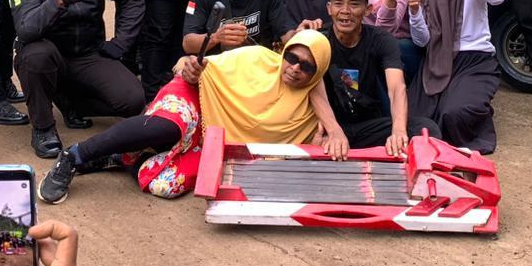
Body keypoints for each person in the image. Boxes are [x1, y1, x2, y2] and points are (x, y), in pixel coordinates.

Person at [38, 29, 344, 204]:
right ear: (284, 51)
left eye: (307, 66)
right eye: (292, 57)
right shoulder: (256, 57)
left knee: (165, 186)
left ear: (317, 72)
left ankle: (125, 156)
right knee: (168, 126)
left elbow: (297, 155)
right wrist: (191, 69)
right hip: (198, 97)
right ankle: (75, 156)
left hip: (217, 140)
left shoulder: (311, 109)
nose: (295, 67)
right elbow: (196, 66)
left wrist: (330, 135)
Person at [10, 0, 146, 158]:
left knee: (132, 100)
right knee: (35, 56)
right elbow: (25, 29)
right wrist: (59, 0)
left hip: (88, 55)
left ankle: (71, 102)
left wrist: (121, 43)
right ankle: (43, 128)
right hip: (48, 54)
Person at [407, 0, 505, 152]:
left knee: (454, 113)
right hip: (436, 61)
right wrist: (414, 11)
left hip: (474, 61)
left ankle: (477, 114)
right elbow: (422, 41)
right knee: (415, 119)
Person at [321, 0, 441, 154]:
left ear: (368, 10)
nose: (345, 10)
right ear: (329, 8)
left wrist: (398, 132)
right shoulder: (318, 39)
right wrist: (332, 130)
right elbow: (312, 90)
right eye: (338, 3)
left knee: (426, 129)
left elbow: (396, 88)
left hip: (368, 126)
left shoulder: (381, 39)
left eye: (354, 4)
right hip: (329, 125)